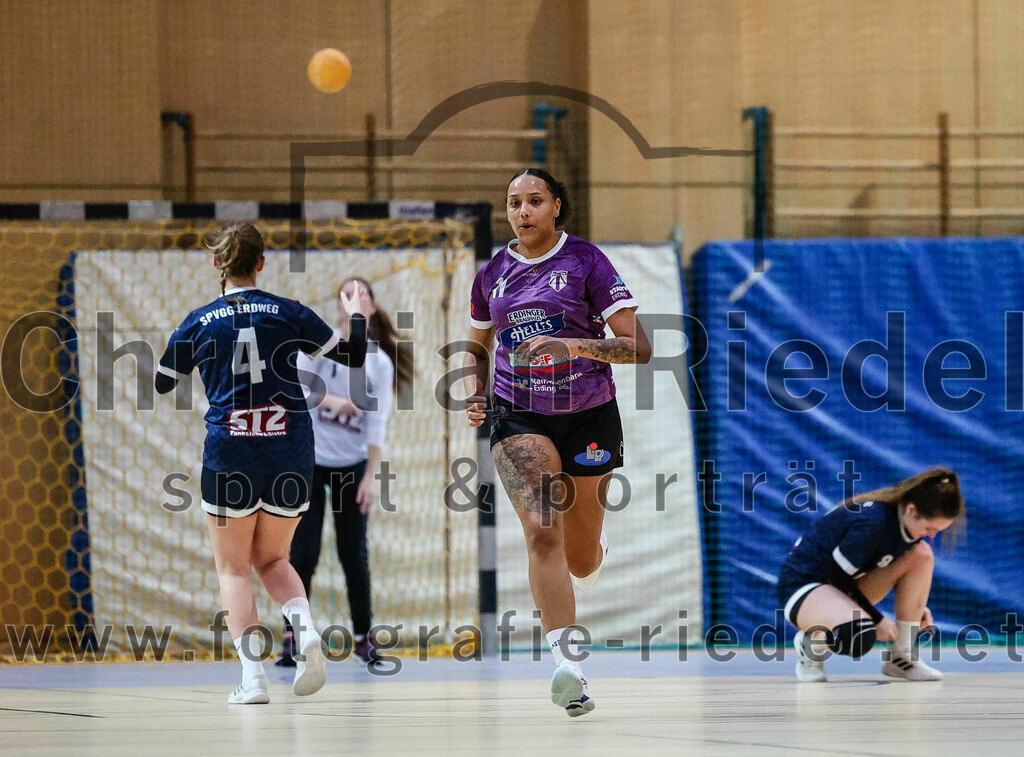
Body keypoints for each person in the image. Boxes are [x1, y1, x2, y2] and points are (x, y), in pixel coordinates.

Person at [155, 223, 372, 704]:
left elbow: (163, 382)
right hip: (289, 451)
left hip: (230, 453)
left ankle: (253, 679)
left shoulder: (200, 321)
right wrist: (357, 316)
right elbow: (354, 355)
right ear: (261, 263)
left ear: (216, 263)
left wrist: (185, 344)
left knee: (233, 570)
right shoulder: (289, 312)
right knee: (273, 558)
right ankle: (306, 630)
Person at [463, 169, 652, 717]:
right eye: (513, 203)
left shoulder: (587, 261)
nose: (522, 211)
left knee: (581, 559)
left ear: (556, 207)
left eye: (534, 201)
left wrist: (572, 345)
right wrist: (475, 393)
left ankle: (593, 550)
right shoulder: (491, 274)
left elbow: (639, 348)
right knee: (543, 532)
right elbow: (477, 346)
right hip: (518, 413)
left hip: (589, 414)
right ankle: (568, 668)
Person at [276, 277, 413, 668]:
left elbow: (377, 422)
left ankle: (363, 638)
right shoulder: (320, 347)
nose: (355, 300)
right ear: (339, 305)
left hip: (351, 466)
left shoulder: (378, 362)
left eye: (362, 294)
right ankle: (293, 637)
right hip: (310, 462)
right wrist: (334, 400)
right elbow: (294, 389)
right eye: (348, 294)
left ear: (371, 306)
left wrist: (370, 475)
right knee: (303, 553)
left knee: (354, 555)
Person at [777, 468, 964, 683]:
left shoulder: (903, 524)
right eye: (930, 528)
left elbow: (854, 576)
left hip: (837, 586)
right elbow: (836, 577)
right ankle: (812, 643)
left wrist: (915, 606)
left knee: (921, 554)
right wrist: (877, 619)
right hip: (802, 588)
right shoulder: (872, 523)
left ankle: (902, 656)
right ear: (912, 510)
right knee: (859, 633)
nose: (932, 535)